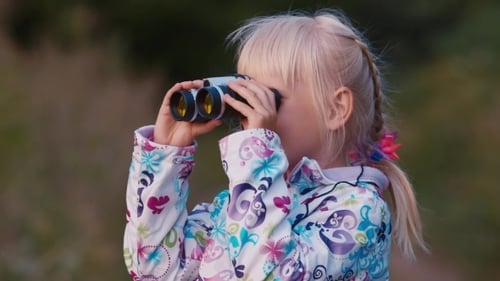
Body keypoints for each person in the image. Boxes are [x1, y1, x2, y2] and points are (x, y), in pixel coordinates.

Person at [123, 8, 427, 281]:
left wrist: (257, 157)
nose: (249, 111)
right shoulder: (239, 204)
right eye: (244, 94)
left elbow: (269, 275)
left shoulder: (360, 211)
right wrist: (164, 158)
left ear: (336, 109)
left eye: (267, 97)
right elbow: (154, 268)